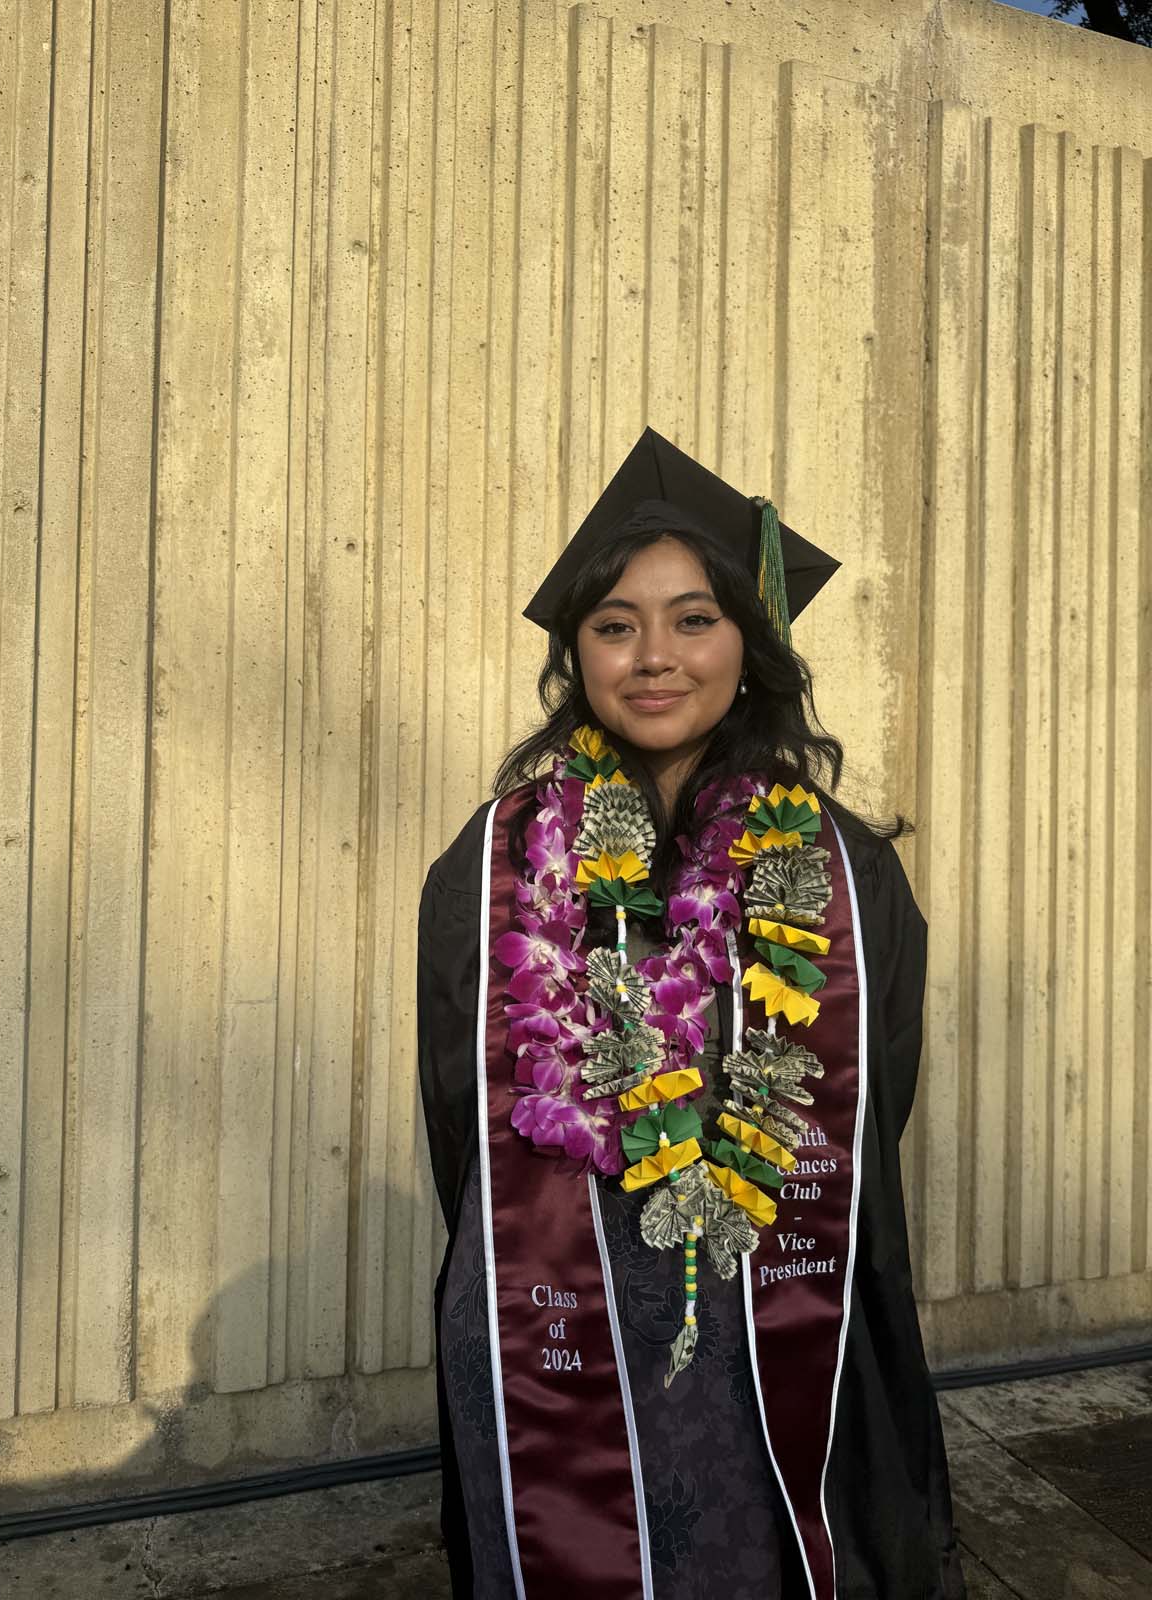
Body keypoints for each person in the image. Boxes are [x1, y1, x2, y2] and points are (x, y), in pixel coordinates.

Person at [417, 428, 965, 1599]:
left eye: (693, 619)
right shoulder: (499, 859)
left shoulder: (839, 868)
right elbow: (459, 1108)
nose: (653, 655)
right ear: (578, 652)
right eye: (616, 624)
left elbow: (873, 1109)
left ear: (749, 644)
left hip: (766, 1318)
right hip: (550, 1314)